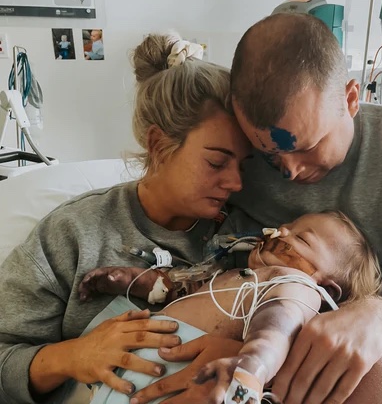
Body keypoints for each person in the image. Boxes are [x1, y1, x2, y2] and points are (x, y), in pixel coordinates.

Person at [0, 33, 252, 403]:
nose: (235, 182)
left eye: (244, 165)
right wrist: (71, 357)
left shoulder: (246, 237)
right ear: (157, 144)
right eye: (216, 162)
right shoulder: (74, 233)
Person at [224, 12, 382, 404]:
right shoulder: (237, 152)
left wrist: (381, 318)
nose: (290, 169)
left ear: (351, 99)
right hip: (269, 352)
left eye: (307, 146)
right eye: (270, 154)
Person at [79, 211, 382, 404]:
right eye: (289, 224)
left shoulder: (294, 285)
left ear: (325, 286)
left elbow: (276, 328)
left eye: (301, 239)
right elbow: (174, 290)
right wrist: (130, 279)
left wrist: (251, 368)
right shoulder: (234, 277)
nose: (282, 231)